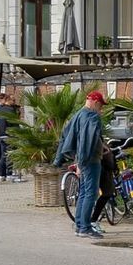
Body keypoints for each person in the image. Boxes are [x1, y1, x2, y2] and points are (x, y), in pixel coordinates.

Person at [53, 90, 106, 239]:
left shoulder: (78, 115)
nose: (100, 110)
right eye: (100, 106)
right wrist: (82, 163)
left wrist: (74, 161)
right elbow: (86, 141)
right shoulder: (92, 116)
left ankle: (79, 225)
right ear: (95, 103)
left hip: (82, 159)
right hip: (90, 160)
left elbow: (66, 136)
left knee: (83, 193)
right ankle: (85, 227)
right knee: (91, 193)